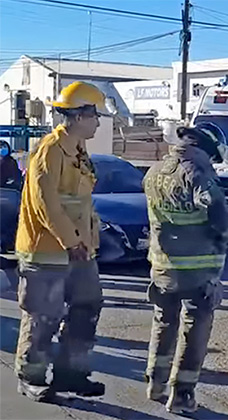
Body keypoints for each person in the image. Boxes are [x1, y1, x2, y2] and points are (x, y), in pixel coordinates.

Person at [14, 81, 113, 401]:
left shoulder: (78, 150)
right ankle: (31, 376)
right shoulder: (49, 151)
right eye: (94, 115)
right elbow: (47, 205)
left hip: (80, 250)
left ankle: (72, 374)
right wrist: (72, 242)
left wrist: (87, 242)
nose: (98, 121)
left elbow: (79, 203)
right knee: (44, 315)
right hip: (48, 251)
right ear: (78, 116)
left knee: (86, 308)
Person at [143, 123, 228, 414]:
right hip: (196, 270)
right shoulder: (199, 174)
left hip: (161, 265)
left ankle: (155, 383)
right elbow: (219, 219)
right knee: (194, 328)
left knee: (163, 322)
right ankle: (182, 395)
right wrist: (226, 232)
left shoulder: (154, 171)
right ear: (208, 150)